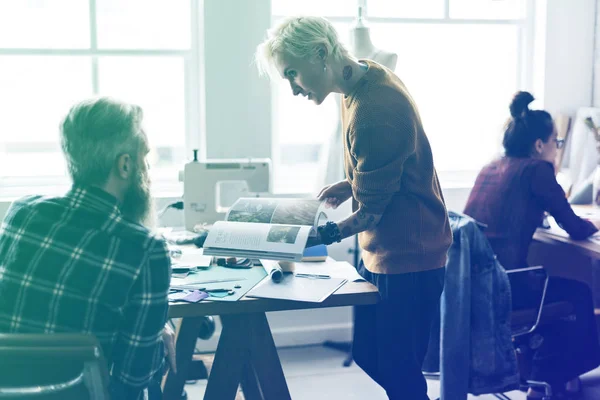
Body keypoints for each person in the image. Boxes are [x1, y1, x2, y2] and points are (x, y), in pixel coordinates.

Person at [256, 16, 452, 400]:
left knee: (401, 374)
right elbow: (394, 162)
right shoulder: (361, 81)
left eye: (293, 74)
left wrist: (313, 236)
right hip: (385, 250)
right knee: (369, 355)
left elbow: (370, 214)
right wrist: (352, 184)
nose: (294, 89)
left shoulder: (374, 109)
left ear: (321, 53)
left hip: (410, 256)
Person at [0, 97, 174, 400]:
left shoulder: (21, 212)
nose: (147, 167)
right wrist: (156, 338)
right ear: (124, 164)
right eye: (145, 157)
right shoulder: (146, 248)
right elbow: (133, 380)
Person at [464, 91, 600, 399]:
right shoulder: (537, 170)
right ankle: (554, 376)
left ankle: (542, 370)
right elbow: (575, 228)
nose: (557, 148)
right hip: (505, 287)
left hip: (472, 287)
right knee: (581, 293)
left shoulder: (492, 166)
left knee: (558, 283)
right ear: (540, 145)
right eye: (556, 141)